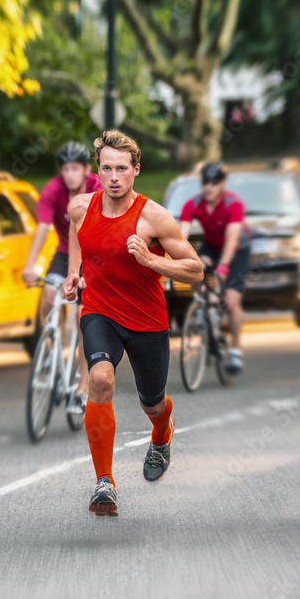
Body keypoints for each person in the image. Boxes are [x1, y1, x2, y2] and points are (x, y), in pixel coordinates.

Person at [64, 130, 203, 516]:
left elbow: (196, 270)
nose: (113, 177)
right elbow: (75, 230)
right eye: (106, 168)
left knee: (152, 402)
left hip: (146, 320)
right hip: (99, 311)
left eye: (121, 169)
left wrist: (152, 261)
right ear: (98, 170)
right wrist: (74, 271)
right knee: (101, 379)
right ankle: (104, 482)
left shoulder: (153, 217)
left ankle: (162, 433)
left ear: (135, 170)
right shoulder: (81, 206)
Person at [21, 141, 102, 415]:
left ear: (86, 170)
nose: (70, 174)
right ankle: (53, 355)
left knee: (83, 318)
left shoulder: (97, 187)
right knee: (47, 297)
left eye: (75, 168)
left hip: (92, 256)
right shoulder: (54, 191)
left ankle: (82, 387)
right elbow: (43, 228)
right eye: (65, 169)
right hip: (65, 253)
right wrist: (30, 265)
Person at [179, 162, 253, 374]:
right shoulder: (192, 204)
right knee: (194, 269)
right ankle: (202, 305)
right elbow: (181, 238)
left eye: (214, 183)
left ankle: (236, 350)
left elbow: (232, 239)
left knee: (231, 300)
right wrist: (190, 258)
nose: (209, 187)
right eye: (205, 183)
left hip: (237, 249)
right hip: (211, 246)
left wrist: (223, 267)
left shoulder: (233, 204)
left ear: (222, 184)